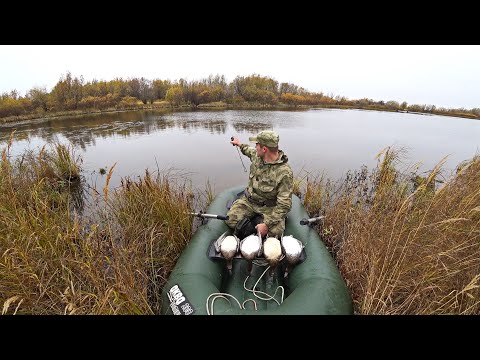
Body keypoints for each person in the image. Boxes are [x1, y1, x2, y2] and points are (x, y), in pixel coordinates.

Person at [226, 130, 293, 239]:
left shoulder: (284, 172)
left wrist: (267, 224)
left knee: (275, 233)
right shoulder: (257, 156)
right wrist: (239, 144)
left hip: (270, 208)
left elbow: (284, 204)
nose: (255, 147)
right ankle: (254, 226)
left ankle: (259, 224)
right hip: (249, 202)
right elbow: (247, 150)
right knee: (231, 220)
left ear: (264, 149)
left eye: (257, 144)